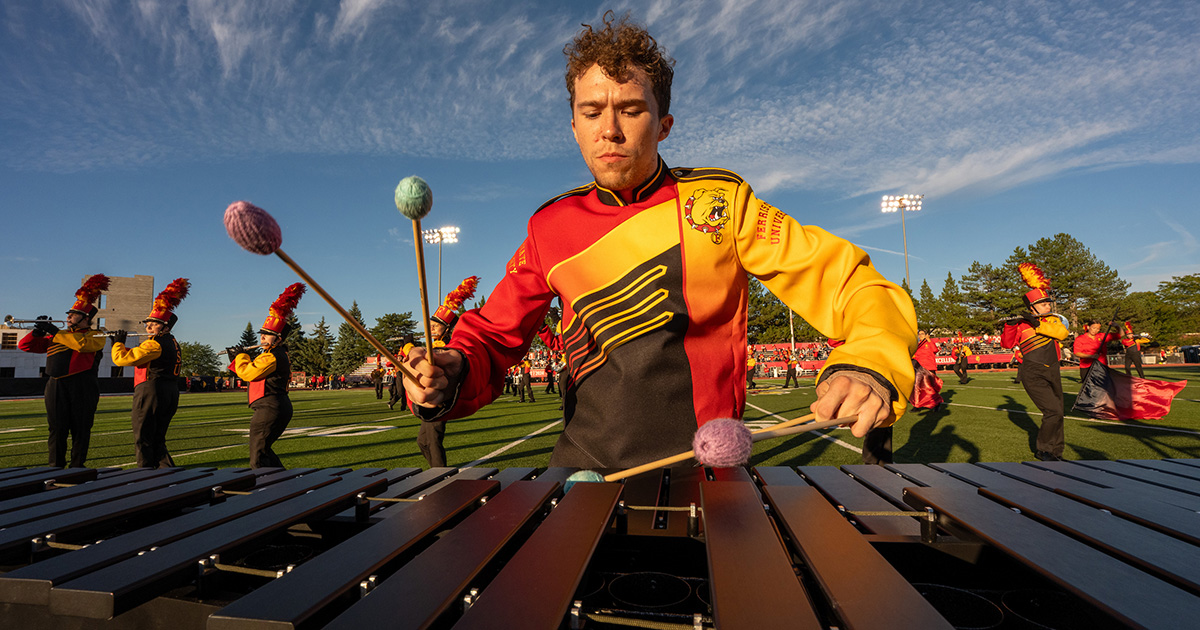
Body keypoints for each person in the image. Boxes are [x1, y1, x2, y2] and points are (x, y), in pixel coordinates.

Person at [402, 13, 917, 468]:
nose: (610, 129)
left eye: (629, 109)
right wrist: (454, 367)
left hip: (709, 474)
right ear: (573, 128)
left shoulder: (721, 204)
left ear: (663, 124)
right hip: (581, 476)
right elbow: (493, 337)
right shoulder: (549, 226)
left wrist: (869, 361)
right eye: (591, 112)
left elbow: (849, 284)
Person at [17, 275, 109, 468]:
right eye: (68, 314)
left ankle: (77, 467)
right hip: (56, 384)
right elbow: (24, 346)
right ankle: (55, 466)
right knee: (56, 429)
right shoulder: (58, 336)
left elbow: (81, 346)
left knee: (81, 428)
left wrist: (56, 332)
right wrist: (37, 332)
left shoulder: (97, 335)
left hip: (83, 385)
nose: (68, 317)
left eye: (73, 314)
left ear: (85, 318)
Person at [111, 277, 189, 468]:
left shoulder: (154, 343)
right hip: (168, 391)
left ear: (165, 327)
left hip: (152, 391)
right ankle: (165, 474)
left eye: (153, 324)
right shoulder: (171, 342)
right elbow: (142, 357)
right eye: (147, 323)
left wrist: (118, 344)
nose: (147, 327)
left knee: (143, 437)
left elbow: (122, 359)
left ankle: (145, 475)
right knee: (157, 439)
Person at [228, 283, 305, 468]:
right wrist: (236, 360)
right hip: (272, 405)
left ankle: (265, 489)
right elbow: (249, 370)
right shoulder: (271, 354)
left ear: (278, 339)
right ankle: (283, 483)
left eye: (267, 335)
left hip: (270, 406)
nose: (262, 338)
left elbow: (249, 373)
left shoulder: (272, 356)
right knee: (264, 450)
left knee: (258, 454)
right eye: (262, 334)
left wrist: (240, 356)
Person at [1001, 263, 1069, 462]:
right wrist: (1009, 325)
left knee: (1059, 413)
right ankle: (1043, 450)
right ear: (1032, 307)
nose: (1048, 306)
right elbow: (1006, 344)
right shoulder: (1022, 325)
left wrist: (1037, 323)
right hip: (1032, 371)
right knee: (1052, 411)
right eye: (1043, 304)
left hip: (1053, 368)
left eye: (1048, 304)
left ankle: (1056, 451)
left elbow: (1062, 334)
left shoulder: (1052, 321)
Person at [910, 329, 943, 411]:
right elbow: (914, 356)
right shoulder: (917, 345)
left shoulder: (929, 343)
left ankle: (937, 404)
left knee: (931, 387)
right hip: (919, 369)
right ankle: (917, 405)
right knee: (917, 388)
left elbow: (935, 350)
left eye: (922, 334)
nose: (920, 335)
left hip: (929, 368)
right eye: (919, 334)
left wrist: (929, 340)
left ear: (926, 335)